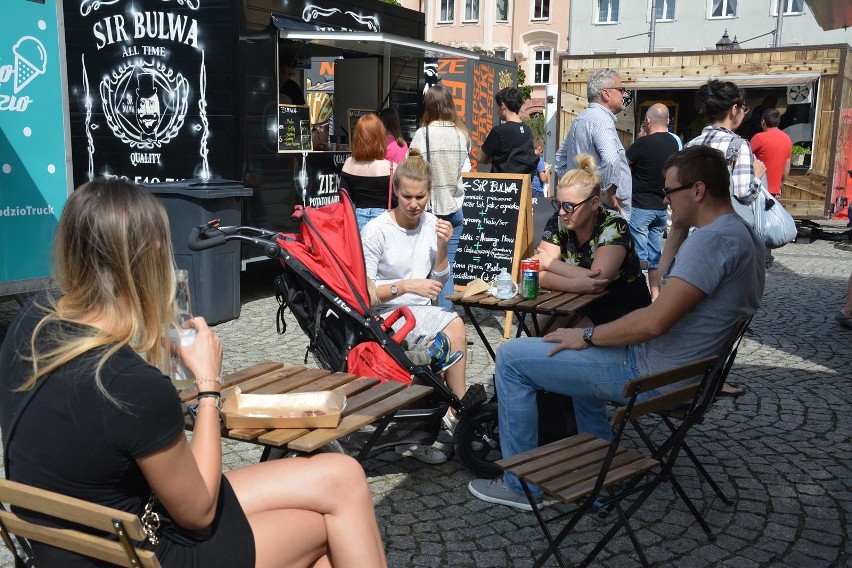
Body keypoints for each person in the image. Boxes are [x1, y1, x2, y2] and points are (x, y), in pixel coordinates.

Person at [0, 178, 388, 567]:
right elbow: (199, 512)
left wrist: (149, 337)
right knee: (322, 527)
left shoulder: (33, 323)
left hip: (95, 541)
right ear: (153, 255)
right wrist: (207, 385)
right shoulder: (131, 388)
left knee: (344, 475)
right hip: (153, 547)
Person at [468, 145, 765, 511]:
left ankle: (520, 487)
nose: (665, 201)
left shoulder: (712, 241)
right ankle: (597, 475)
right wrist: (678, 232)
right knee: (570, 357)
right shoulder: (741, 234)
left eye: (670, 191)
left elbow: (654, 320)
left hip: (654, 373)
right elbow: (668, 292)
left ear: (698, 190)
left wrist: (588, 336)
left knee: (512, 357)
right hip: (684, 371)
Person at [361, 149, 468, 462]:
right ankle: (458, 411)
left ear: (429, 193)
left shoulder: (432, 224)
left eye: (421, 197)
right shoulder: (376, 231)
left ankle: (442, 416)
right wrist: (405, 286)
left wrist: (444, 246)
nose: (414, 204)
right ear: (395, 191)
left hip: (420, 314)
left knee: (449, 333)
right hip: (387, 317)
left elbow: (438, 277)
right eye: (407, 196)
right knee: (456, 324)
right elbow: (365, 296)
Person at [536, 154, 650, 328]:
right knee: (536, 332)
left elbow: (598, 281)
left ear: (594, 203)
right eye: (558, 204)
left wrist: (548, 263)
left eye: (568, 206)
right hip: (574, 298)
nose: (561, 212)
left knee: (563, 340)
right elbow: (534, 274)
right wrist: (574, 285)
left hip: (621, 306)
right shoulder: (558, 220)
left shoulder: (613, 225)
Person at [409, 85, 471, 308]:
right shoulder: (462, 135)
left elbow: (411, 171)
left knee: (423, 267)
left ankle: (429, 320)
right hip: (454, 207)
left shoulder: (422, 134)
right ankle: (447, 321)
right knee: (447, 267)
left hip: (431, 211)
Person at [553, 69, 633, 221]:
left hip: (585, 205)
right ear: (606, 94)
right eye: (621, 90)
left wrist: (574, 189)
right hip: (604, 210)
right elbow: (610, 160)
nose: (624, 94)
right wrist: (607, 193)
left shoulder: (581, 118)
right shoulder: (601, 119)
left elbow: (560, 159)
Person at [625, 103, 681, 299]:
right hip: (661, 206)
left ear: (648, 120)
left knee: (639, 257)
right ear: (667, 120)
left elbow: (622, 166)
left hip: (641, 206)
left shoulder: (643, 144)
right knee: (655, 256)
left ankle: (637, 297)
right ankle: (656, 295)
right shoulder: (674, 143)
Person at [340, 113, 395, 230]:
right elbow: (397, 201)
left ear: (358, 138)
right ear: (380, 137)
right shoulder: (392, 167)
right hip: (383, 220)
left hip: (355, 220)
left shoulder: (349, 163)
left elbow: (344, 198)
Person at [476, 86, 536, 173]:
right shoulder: (528, 130)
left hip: (502, 184)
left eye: (498, 107)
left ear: (503, 105)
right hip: (521, 184)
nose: (497, 111)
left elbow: (480, 158)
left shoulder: (499, 131)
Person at [750, 108, 793, 197]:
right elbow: (787, 166)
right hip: (774, 191)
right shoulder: (787, 139)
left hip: (758, 188)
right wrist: (781, 185)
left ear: (763, 121)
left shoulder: (759, 138)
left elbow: (745, 158)